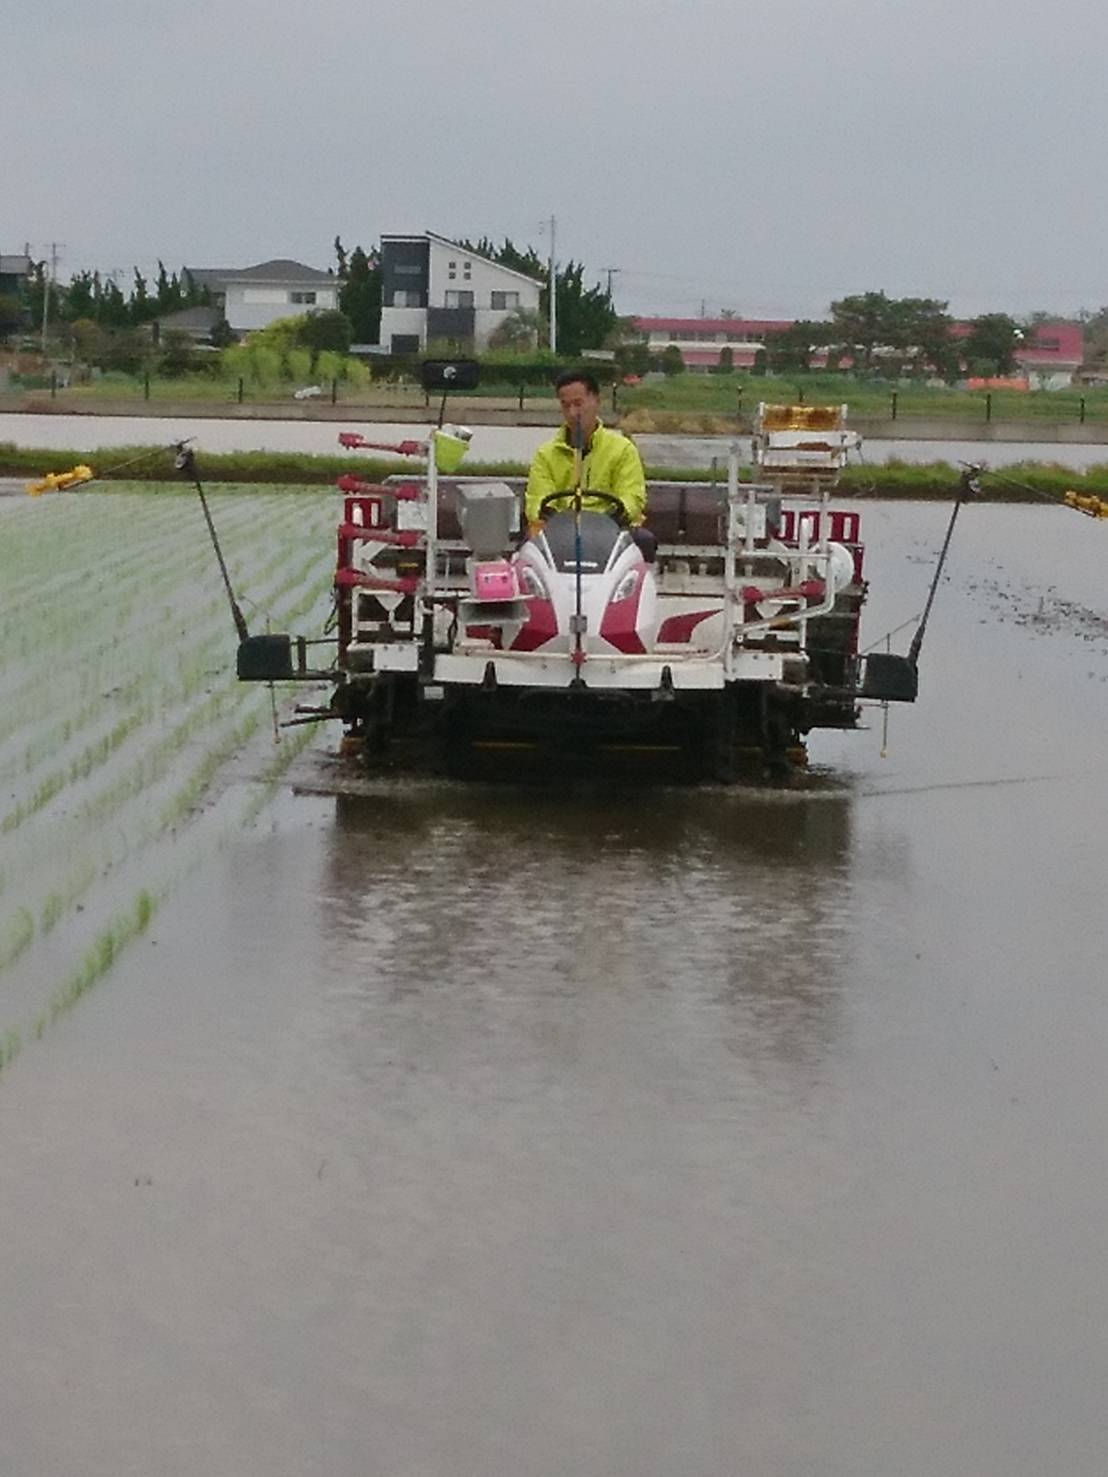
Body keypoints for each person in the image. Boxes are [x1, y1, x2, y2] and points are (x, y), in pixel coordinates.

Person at [525, 369, 648, 532]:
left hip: (610, 533)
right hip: (559, 534)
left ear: (597, 400)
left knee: (645, 542)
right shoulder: (545, 455)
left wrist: (615, 517)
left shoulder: (623, 450)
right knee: (525, 550)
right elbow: (536, 499)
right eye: (565, 405)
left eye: (578, 403)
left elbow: (632, 496)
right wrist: (549, 516)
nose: (572, 413)